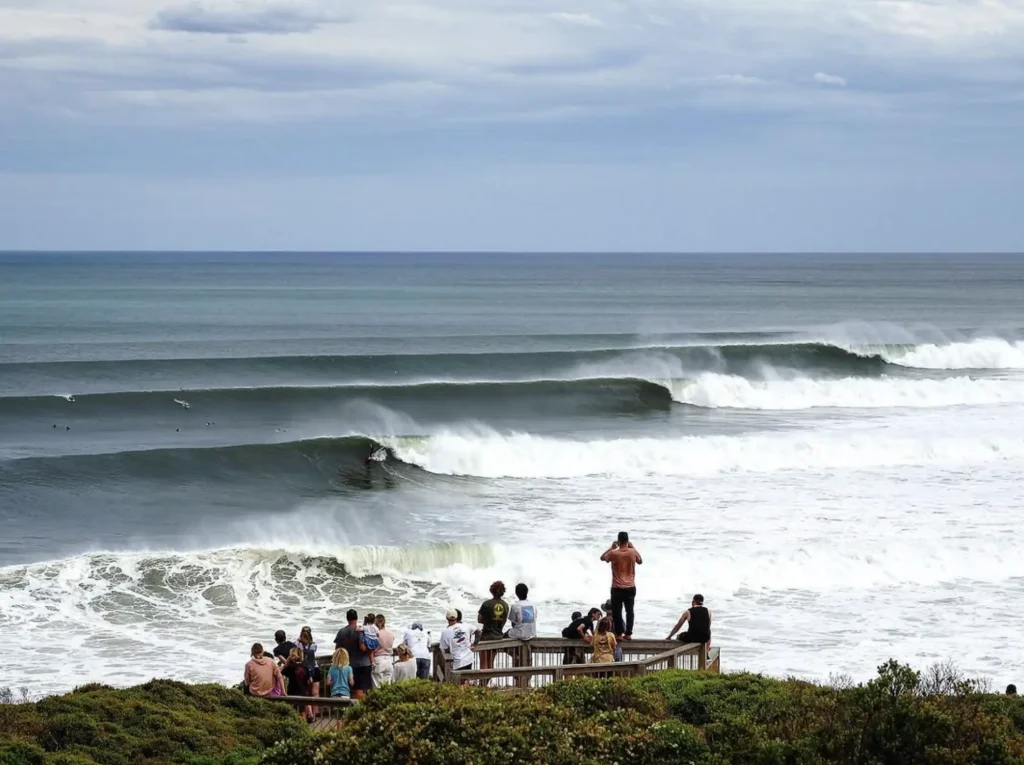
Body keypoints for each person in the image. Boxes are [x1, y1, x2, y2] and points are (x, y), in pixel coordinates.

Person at [600, 531, 642, 639]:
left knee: (617, 611)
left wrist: (611, 547)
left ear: (618, 541)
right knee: (630, 611)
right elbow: (640, 561)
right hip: (630, 586)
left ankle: (619, 634)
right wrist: (633, 547)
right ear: (627, 541)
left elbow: (603, 558)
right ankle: (628, 634)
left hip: (617, 587)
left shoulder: (614, 553)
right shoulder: (633, 552)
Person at [333, 609, 372, 701]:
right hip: (363, 663)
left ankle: (353, 711)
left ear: (347, 618)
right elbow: (363, 647)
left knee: (352, 691)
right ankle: (361, 711)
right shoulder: (360, 630)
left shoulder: (341, 632)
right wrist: (370, 651)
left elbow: (337, 649)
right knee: (361, 690)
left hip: (347, 664)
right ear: (357, 618)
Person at [477, 581, 509, 670]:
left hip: (486, 636)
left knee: (484, 663)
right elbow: (504, 620)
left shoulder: (486, 604)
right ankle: (487, 681)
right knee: (490, 664)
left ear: (491, 590)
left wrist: (487, 621)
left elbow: (479, 619)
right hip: (498, 636)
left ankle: (482, 683)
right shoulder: (505, 605)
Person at [281, 647, 313, 722]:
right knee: (302, 712)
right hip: (303, 692)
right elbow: (310, 680)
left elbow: (279, 672)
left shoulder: (290, 668)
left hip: (292, 692)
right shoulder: (304, 666)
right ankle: (303, 728)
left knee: (294, 712)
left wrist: (286, 664)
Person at [372, 614, 395, 688]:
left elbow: (373, 648)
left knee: (377, 686)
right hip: (388, 659)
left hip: (379, 659)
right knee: (387, 686)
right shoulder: (391, 633)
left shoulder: (376, 634)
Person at [297, 626, 321, 700]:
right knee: (315, 694)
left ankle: (308, 712)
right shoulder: (313, 645)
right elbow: (311, 658)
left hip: (304, 670)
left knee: (306, 693)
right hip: (315, 668)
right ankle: (315, 711)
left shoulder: (297, 644)